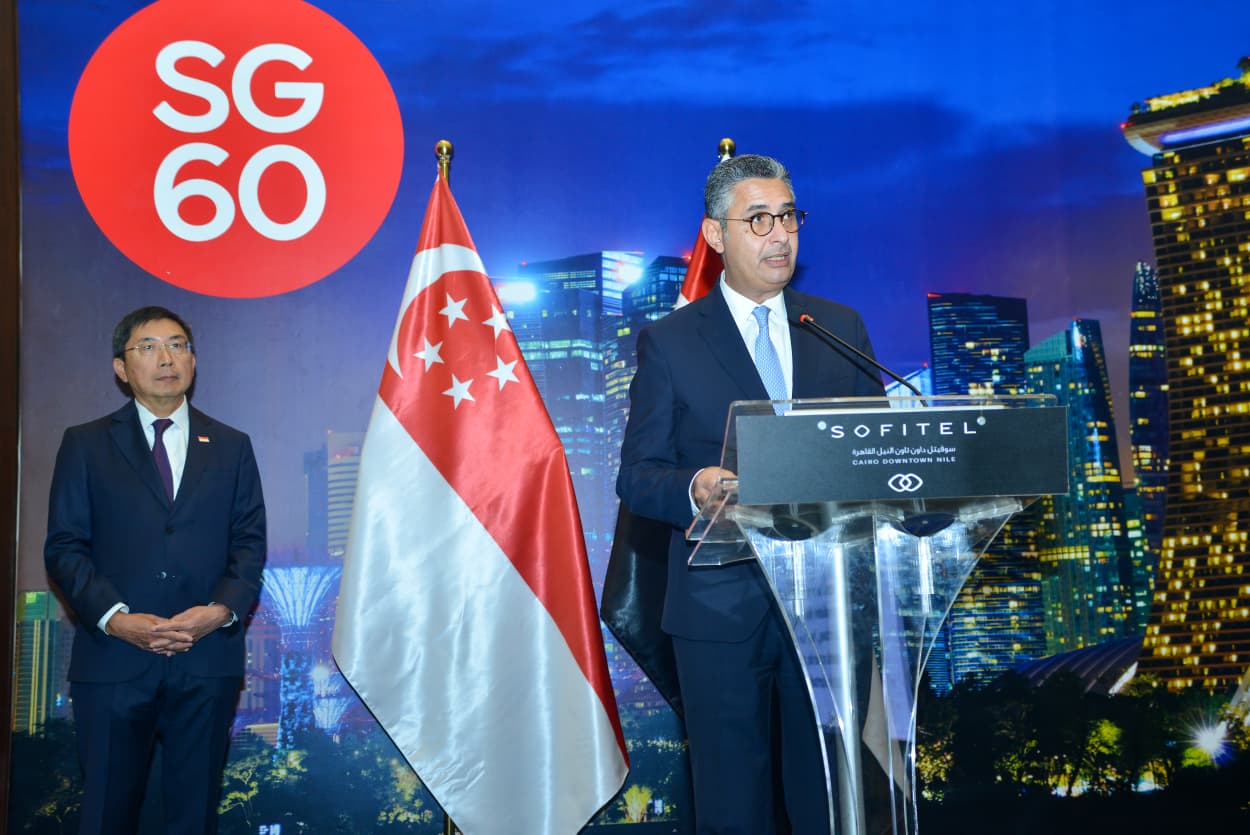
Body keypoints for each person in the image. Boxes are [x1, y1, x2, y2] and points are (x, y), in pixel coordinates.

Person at [616, 154, 885, 833]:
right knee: (733, 807)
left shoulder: (839, 329)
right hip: (718, 607)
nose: (780, 234)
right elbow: (637, 474)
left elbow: (880, 454)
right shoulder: (671, 342)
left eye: (789, 216)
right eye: (759, 219)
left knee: (830, 803)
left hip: (828, 607)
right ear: (715, 234)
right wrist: (696, 486)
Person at [44, 305, 267, 835]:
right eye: (148, 347)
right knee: (106, 815)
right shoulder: (86, 443)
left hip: (205, 660)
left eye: (178, 345)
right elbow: (65, 547)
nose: (166, 358)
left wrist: (218, 612)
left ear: (193, 360)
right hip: (113, 663)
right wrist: (117, 619)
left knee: (194, 817)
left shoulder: (232, 446)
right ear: (121, 368)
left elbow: (249, 544)